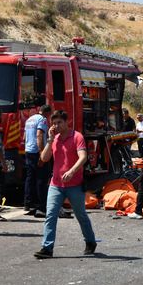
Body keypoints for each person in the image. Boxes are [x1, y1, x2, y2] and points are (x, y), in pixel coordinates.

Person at [34, 110, 96, 258]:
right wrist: (49, 140)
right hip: (56, 184)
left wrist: (72, 171)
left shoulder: (77, 137)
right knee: (50, 215)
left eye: (59, 122)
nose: (56, 126)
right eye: (54, 123)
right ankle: (47, 248)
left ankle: (90, 241)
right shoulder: (54, 139)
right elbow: (44, 158)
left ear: (66, 122)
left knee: (80, 215)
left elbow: (83, 157)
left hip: (74, 185)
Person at [23, 105, 52, 217]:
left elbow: (24, 137)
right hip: (36, 152)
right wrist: (41, 154)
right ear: (47, 113)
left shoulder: (29, 119)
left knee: (30, 178)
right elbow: (39, 135)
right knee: (41, 178)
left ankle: (28, 203)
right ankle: (41, 205)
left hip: (28, 151)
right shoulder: (42, 120)